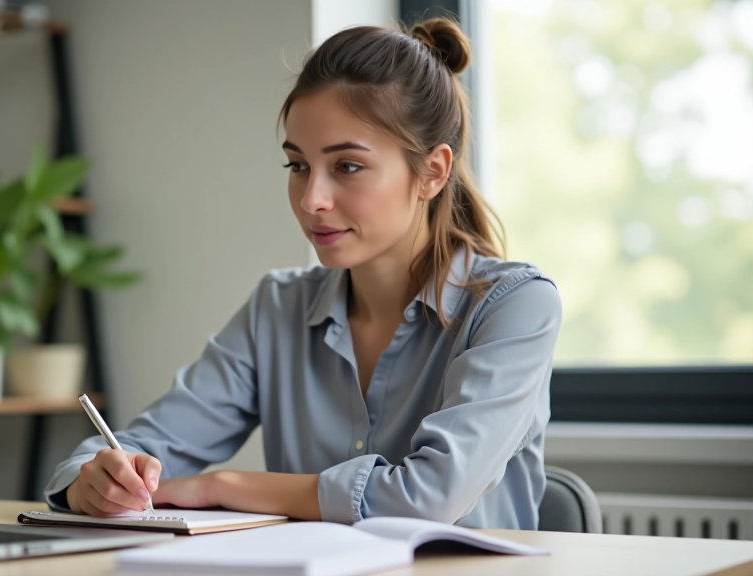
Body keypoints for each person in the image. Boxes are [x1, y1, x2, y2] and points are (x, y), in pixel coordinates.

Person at [44, 18, 561, 529]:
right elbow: (143, 445)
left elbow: (427, 496)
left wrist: (221, 486)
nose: (312, 199)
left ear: (432, 171)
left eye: (347, 167)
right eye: (298, 166)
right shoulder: (277, 308)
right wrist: (94, 480)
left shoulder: (516, 306)